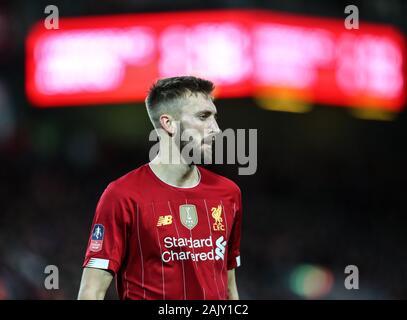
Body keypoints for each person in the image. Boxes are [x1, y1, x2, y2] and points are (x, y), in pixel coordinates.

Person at [77, 76, 243, 300]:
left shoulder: (228, 193)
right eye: (203, 117)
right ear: (168, 123)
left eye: (214, 117)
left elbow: (229, 288)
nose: (216, 129)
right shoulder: (122, 196)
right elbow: (91, 292)